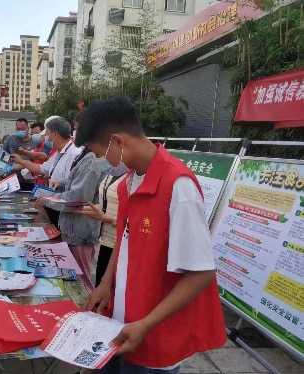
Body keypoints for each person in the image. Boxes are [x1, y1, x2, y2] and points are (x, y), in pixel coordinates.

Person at [80, 97, 226, 373]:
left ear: (117, 141)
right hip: (124, 322)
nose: (103, 161)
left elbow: (201, 272)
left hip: (154, 332)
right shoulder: (130, 182)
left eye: (101, 153)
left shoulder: (178, 187)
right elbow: (124, 239)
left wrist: (146, 324)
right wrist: (106, 284)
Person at [35, 132, 104, 288]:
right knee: (72, 278)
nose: (74, 133)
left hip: (80, 231)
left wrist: (48, 200)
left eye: (78, 128)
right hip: (73, 229)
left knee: (81, 282)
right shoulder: (85, 155)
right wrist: (60, 184)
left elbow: (77, 198)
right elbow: (75, 182)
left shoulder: (91, 159)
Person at [75, 169, 127, 286]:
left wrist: (105, 218)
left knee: (110, 287)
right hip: (105, 240)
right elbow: (106, 204)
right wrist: (79, 207)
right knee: (100, 282)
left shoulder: (133, 177)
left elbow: (134, 221)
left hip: (119, 243)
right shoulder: (111, 172)